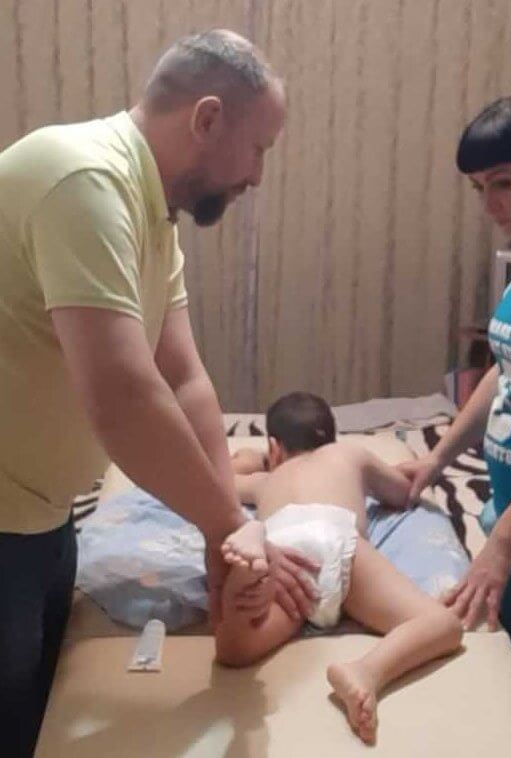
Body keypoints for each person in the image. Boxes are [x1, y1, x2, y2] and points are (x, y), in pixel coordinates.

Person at [0, 30, 317, 756]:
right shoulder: (82, 179)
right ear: (207, 119)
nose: (258, 175)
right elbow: (124, 396)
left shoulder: (150, 216)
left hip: (42, 515)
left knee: (39, 719)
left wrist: (225, 529)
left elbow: (184, 380)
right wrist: (226, 526)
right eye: (259, 148)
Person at [399, 91, 511, 753]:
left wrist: (502, 545)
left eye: (503, 183)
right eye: (480, 188)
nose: (489, 205)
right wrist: (437, 458)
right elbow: (505, 372)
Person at [213, 392, 463, 745]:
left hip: (283, 554)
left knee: (233, 651)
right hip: (339, 537)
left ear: (275, 447)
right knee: (442, 625)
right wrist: (393, 476)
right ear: (331, 437)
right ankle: (366, 672)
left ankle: (248, 562)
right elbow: (401, 493)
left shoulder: (265, 481)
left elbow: (219, 479)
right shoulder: (348, 455)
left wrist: (250, 459)